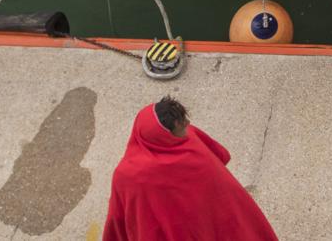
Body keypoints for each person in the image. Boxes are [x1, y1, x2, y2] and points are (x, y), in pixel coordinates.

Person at [103, 97, 277, 240]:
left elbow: (118, 219)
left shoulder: (187, 137)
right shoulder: (129, 176)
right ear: (163, 136)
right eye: (181, 128)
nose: (187, 129)